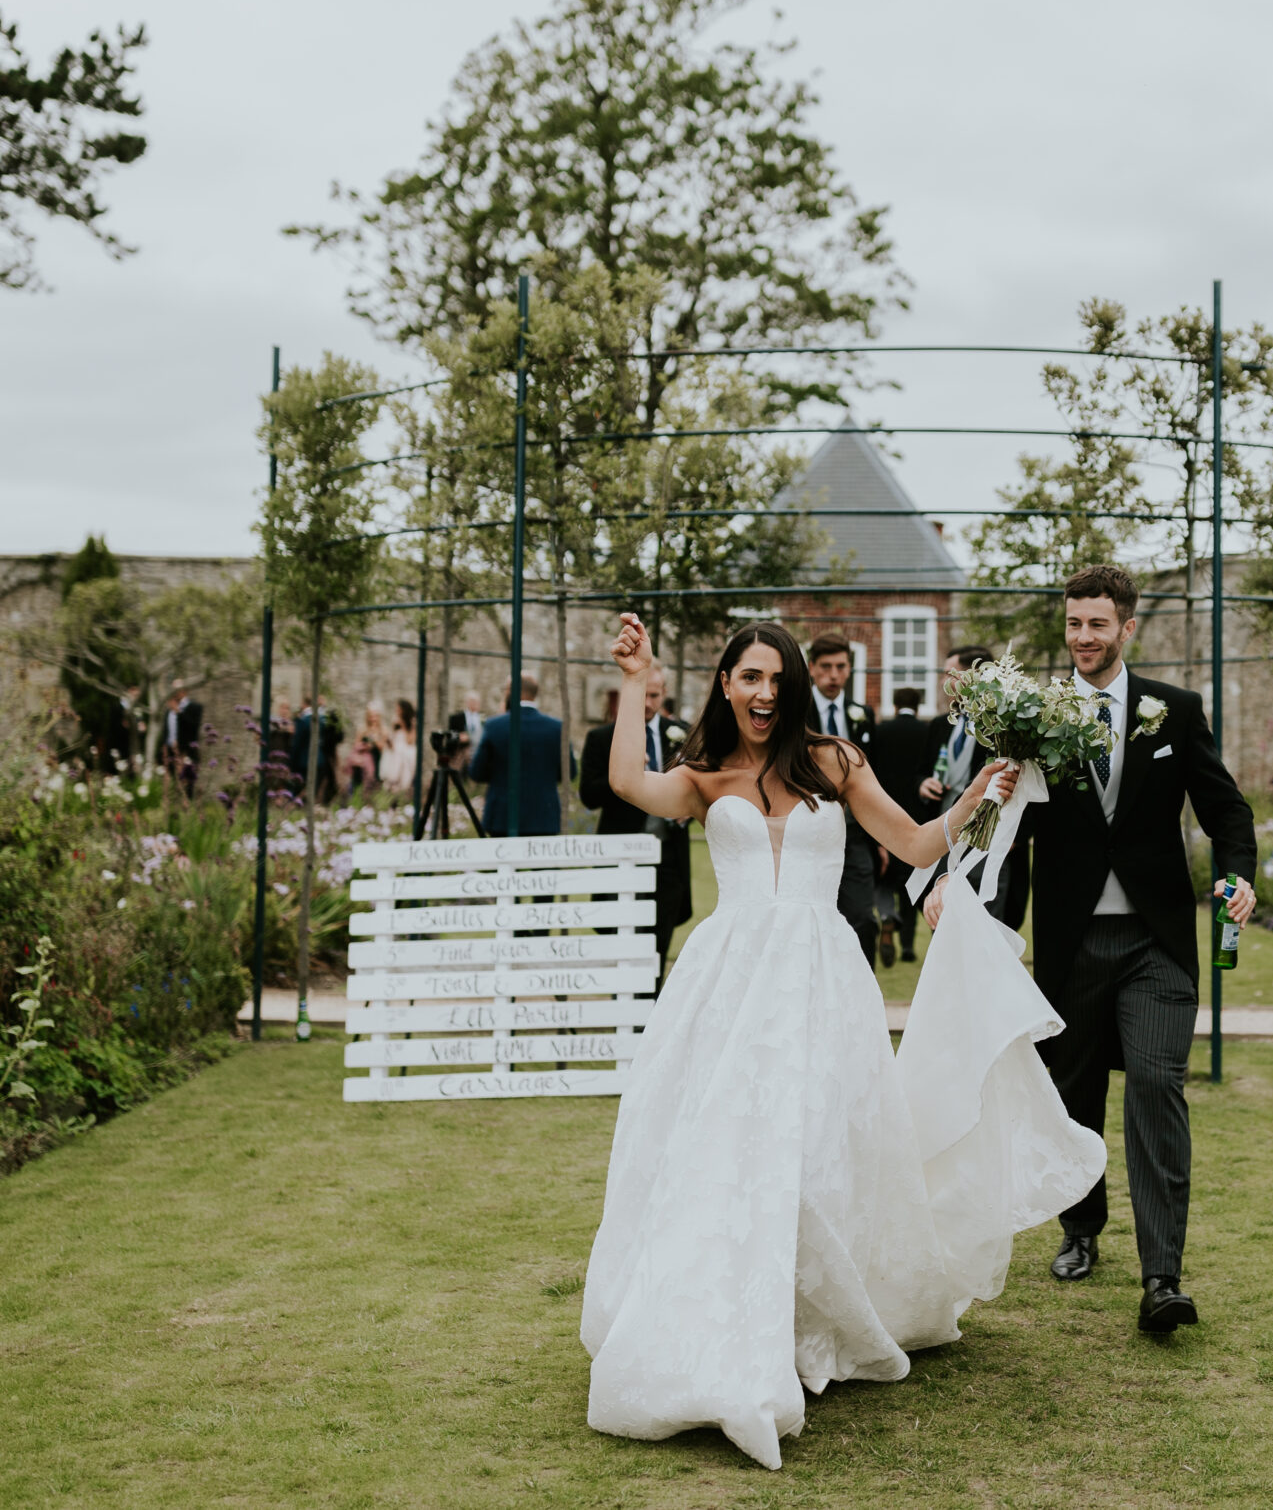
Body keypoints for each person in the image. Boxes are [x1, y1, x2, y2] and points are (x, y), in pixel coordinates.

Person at [582, 615, 1103, 1470]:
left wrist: (980, 797)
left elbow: (913, 843)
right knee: (724, 1144)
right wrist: (638, 676)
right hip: (727, 984)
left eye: (777, 681)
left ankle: (809, 1314)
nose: (763, 694)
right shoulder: (706, 773)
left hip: (822, 981)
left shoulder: (835, 761)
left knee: (819, 1146)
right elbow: (627, 782)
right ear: (725, 684)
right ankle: (729, 1309)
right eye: (749, 678)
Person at [926, 563, 1256, 1335]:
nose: (1083, 638)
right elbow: (999, 815)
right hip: (1073, 943)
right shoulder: (1033, 714)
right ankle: (1082, 1228)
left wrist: (1237, 873)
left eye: (1097, 624)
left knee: (1153, 1082)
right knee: (1072, 1094)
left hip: (1157, 942)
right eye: (1073, 623)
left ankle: (1162, 1275)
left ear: (1127, 626)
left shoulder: (1174, 712)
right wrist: (957, 880)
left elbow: (1224, 806)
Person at [578, 664, 692, 971]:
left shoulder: (682, 734)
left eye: (653, 695)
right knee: (620, 941)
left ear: (663, 694)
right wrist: (624, 774)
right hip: (621, 857)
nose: (646, 702)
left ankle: (652, 1014)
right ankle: (621, 1013)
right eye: (641, 694)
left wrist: (688, 810)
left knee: (658, 942)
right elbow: (588, 794)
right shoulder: (602, 738)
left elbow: (701, 785)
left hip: (668, 858)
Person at [920, 643, 1028, 930]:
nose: (944, 682)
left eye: (949, 674)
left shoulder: (1004, 725)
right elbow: (920, 771)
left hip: (988, 842)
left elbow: (1026, 781)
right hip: (945, 838)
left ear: (974, 677)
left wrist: (1013, 837)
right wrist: (924, 784)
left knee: (986, 926)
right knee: (943, 923)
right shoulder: (939, 726)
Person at [804, 633, 880, 968]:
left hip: (856, 835)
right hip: (807, 833)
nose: (833, 674)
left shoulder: (862, 713)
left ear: (849, 669)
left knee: (863, 917)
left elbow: (874, 780)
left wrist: (880, 839)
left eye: (841, 666)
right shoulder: (796, 714)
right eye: (826, 667)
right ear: (811, 668)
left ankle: (862, 997)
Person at [868, 685, 944, 962]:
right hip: (918, 816)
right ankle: (909, 947)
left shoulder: (880, 731)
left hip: (883, 814)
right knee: (912, 884)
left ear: (895, 704)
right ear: (919, 705)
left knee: (885, 879)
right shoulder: (927, 732)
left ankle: (887, 917)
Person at [469, 675, 562, 835]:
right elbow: (568, 772)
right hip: (543, 817)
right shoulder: (556, 728)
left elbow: (477, 772)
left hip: (502, 817)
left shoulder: (494, 726)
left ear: (510, 691)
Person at [162, 686, 204, 798]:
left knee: (188, 784)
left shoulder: (195, 707)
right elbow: (165, 732)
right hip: (171, 752)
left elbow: (193, 727)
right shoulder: (168, 711)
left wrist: (178, 712)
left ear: (184, 691)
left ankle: (187, 810)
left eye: (176, 691)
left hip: (187, 751)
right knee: (172, 784)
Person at [380, 699, 419, 795]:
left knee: (401, 753)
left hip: (407, 748)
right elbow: (392, 739)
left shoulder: (412, 722)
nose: (397, 711)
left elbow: (410, 741)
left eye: (399, 709)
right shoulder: (395, 721)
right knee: (392, 752)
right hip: (395, 747)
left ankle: (398, 784)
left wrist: (404, 726)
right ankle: (391, 782)